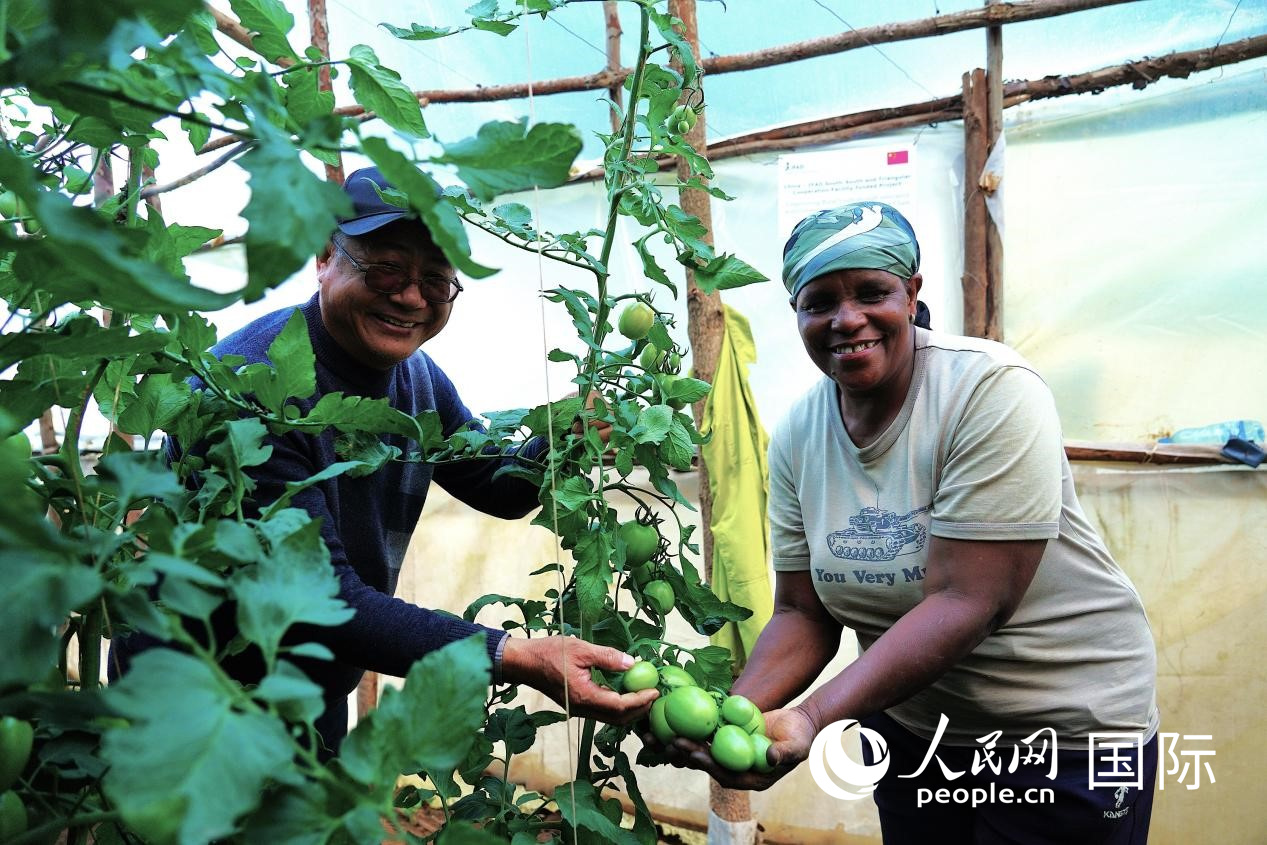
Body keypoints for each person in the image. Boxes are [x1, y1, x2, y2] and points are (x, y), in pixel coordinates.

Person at [660, 202, 1158, 844]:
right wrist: (735, 715)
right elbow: (803, 615)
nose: (847, 320)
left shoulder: (989, 390)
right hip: (918, 733)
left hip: (1062, 735)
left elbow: (968, 600)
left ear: (912, 292)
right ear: (798, 315)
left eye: (872, 293)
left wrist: (810, 717)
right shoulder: (798, 435)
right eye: (819, 303)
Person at [114, 166, 656, 756]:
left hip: (308, 690)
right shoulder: (247, 390)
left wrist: (567, 437)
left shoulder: (416, 378)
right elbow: (320, 600)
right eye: (386, 268)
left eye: (436, 280)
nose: (410, 296)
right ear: (325, 256)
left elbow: (498, 486)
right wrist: (512, 654)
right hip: (196, 696)